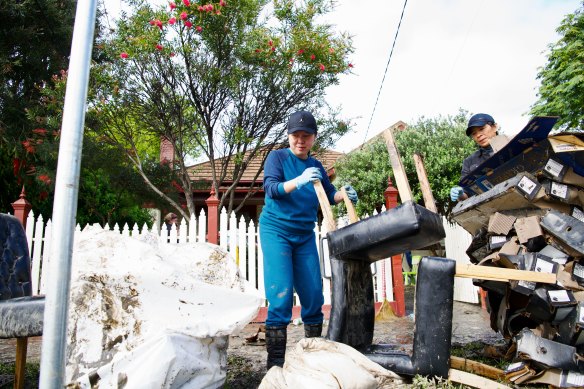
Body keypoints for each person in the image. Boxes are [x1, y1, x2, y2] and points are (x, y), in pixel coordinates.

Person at [260, 110, 358, 369]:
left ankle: (312, 361)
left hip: (304, 234)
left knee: (314, 295)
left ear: (314, 138)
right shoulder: (277, 158)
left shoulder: (315, 166)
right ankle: (275, 365)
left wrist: (344, 194)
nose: (300, 140)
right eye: (296, 135)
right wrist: (298, 181)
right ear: (289, 136)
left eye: (306, 136)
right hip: (276, 231)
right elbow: (271, 189)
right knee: (280, 295)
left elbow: (329, 194)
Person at [450, 113, 500, 202]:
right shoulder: (469, 162)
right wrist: (460, 194)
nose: (478, 135)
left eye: (482, 129)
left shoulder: (515, 143)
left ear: (495, 127)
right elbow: (466, 194)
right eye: (474, 133)